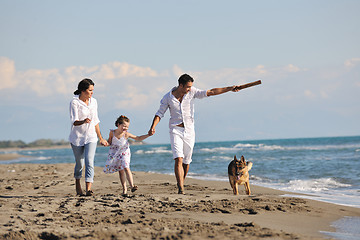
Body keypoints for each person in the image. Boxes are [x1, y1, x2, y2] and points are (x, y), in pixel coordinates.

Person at [148, 73, 243, 194]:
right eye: (187, 87)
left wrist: (230, 88)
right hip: (175, 130)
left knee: (186, 162)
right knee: (178, 159)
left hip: (189, 131)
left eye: (191, 87)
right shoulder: (168, 97)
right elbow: (159, 113)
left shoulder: (192, 92)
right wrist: (153, 127)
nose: (189, 89)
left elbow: (211, 92)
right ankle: (181, 188)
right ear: (180, 85)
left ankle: (181, 181)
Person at [69, 78, 109, 196]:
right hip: (77, 137)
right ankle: (77, 183)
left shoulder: (94, 102)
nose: (92, 93)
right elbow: (74, 121)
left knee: (89, 161)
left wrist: (101, 138)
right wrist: (83, 121)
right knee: (80, 164)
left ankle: (88, 189)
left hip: (91, 136)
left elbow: (95, 121)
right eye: (90, 90)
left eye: (93, 90)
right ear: (82, 90)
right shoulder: (74, 102)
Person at [103, 115, 150, 196]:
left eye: (127, 127)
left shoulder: (126, 134)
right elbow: (110, 142)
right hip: (115, 153)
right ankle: (124, 189)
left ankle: (132, 186)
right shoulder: (112, 132)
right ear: (118, 124)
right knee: (121, 171)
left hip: (125, 152)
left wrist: (148, 135)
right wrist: (105, 143)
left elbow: (138, 138)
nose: (125, 128)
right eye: (124, 126)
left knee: (126, 167)